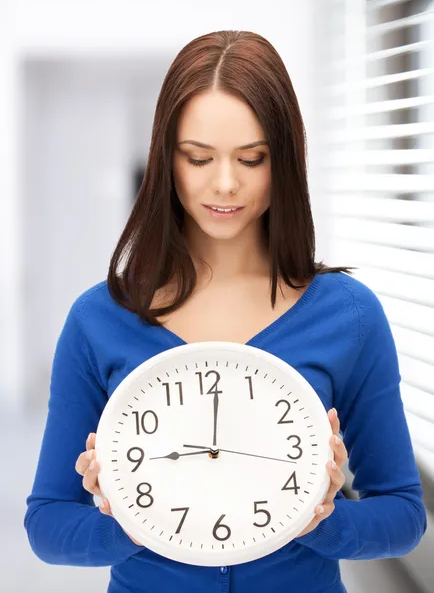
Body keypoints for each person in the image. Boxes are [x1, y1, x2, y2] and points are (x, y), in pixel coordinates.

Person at [24, 30, 427, 593]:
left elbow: (403, 515)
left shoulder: (349, 316)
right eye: (198, 158)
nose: (225, 183)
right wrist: (130, 522)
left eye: (252, 158)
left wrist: (323, 518)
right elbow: (47, 524)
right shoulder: (98, 319)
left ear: (283, 159)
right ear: (166, 158)